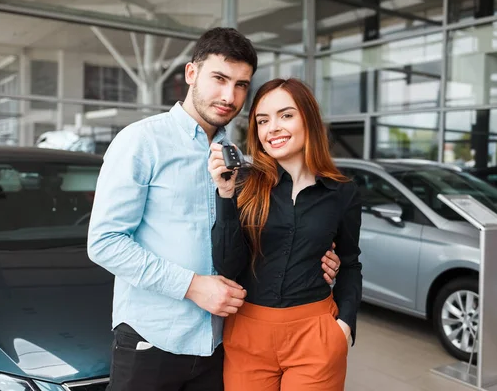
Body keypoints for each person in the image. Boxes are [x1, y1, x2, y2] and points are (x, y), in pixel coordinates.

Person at [87, 28, 342, 391]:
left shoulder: (245, 161)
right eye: (219, 79)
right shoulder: (141, 141)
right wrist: (192, 286)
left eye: (241, 85)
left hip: (221, 344)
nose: (229, 96)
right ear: (191, 74)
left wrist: (317, 256)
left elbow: (260, 241)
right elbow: (105, 242)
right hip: (154, 339)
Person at [209, 78, 362, 391]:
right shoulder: (241, 183)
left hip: (315, 333)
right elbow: (227, 266)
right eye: (263, 120)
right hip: (248, 333)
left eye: (285, 115)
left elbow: (349, 262)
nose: (272, 128)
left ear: (308, 119)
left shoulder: (342, 192)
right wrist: (225, 194)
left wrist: (344, 325)